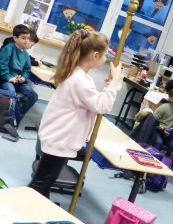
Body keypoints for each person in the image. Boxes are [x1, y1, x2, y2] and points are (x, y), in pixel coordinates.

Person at [28, 29, 121, 198]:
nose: (106, 59)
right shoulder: (81, 81)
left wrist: (108, 88)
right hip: (59, 140)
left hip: (57, 137)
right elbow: (102, 106)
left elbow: (93, 102)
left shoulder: (76, 74)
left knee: (43, 184)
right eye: (105, 55)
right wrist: (114, 82)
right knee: (39, 186)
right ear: (95, 56)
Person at [0, 24, 38, 128]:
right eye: (23, 38)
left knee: (33, 95)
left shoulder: (25, 54)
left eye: (27, 38)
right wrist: (9, 77)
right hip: (6, 80)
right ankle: (10, 121)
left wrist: (23, 78)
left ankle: (16, 117)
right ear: (15, 38)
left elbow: (26, 69)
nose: (26, 41)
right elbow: (2, 65)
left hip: (18, 81)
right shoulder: (8, 48)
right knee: (11, 94)